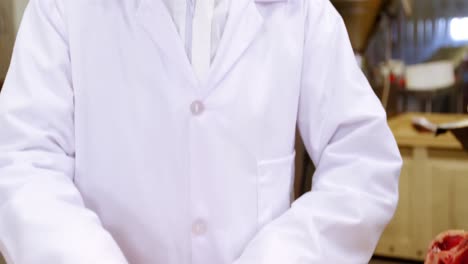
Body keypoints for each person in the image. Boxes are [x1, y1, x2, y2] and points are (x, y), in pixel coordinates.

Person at [0, 0, 402, 263]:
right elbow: (22, 163)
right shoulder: (64, 9)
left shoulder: (302, 11)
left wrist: (285, 255)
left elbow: (363, 161)